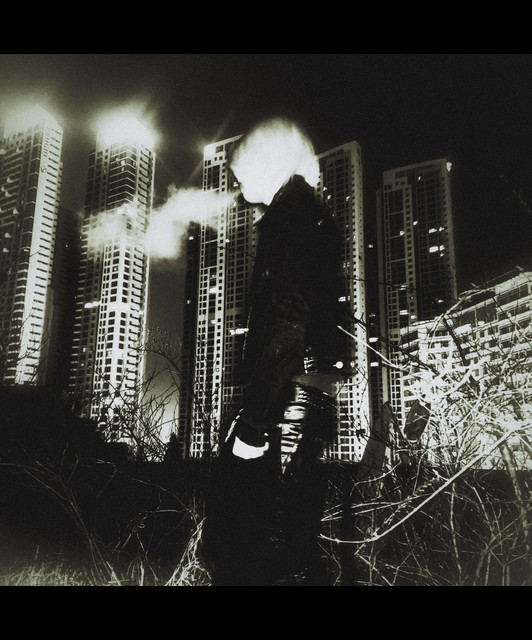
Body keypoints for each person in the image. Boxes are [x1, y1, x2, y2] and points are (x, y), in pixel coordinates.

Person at [202, 117, 348, 585]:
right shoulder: (310, 217)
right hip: (306, 392)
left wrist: (255, 419)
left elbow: (288, 316)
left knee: (255, 536)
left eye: (242, 174)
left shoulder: (290, 221)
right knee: (292, 533)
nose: (240, 189)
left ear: (268, 164)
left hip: (287, 399)